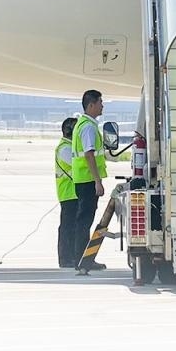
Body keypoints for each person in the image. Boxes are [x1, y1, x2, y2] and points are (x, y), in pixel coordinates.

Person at [71, 90, 107, 270]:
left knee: (83, 221)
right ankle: (83, 260)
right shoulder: (88, 127)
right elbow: (89, 154)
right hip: (87, 181)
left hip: (83, 180)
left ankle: (82, 259)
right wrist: (97, 181)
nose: (102, 106)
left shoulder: (83, 124)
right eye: (100, 102)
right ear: (91, 105)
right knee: (85, 222)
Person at [55, 117, 78, 268]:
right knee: (67, 227)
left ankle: (72, 256)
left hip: (73, 193)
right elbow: (78, 165)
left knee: (72, 227)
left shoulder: (69, 147)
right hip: (69, 193)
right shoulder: (65, 149)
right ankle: (65, 258)